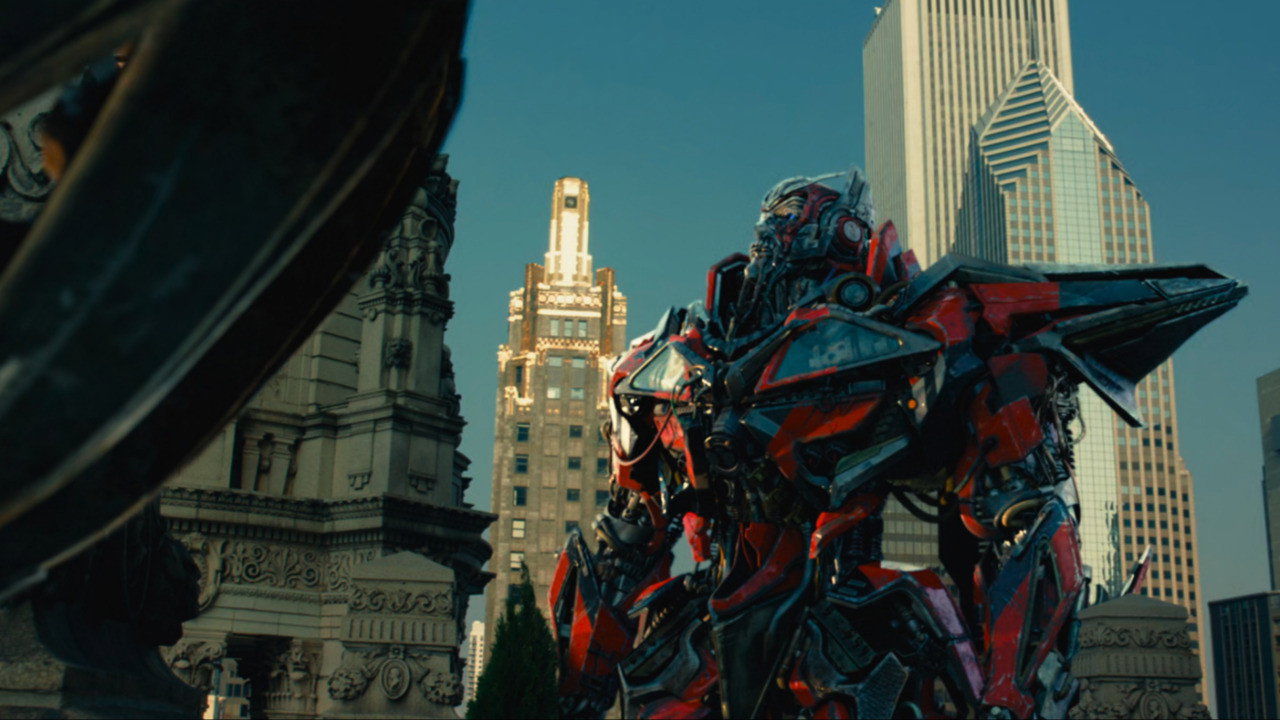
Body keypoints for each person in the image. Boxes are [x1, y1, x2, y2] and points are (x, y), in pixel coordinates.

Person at [550, 167, 1244, 719]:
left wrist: (1008, 690)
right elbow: (623, 541)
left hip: (839, 633)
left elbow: (1023, 521)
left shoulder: (918, 341)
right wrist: (580, 688)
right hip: (726, 631)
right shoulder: (671, 369)